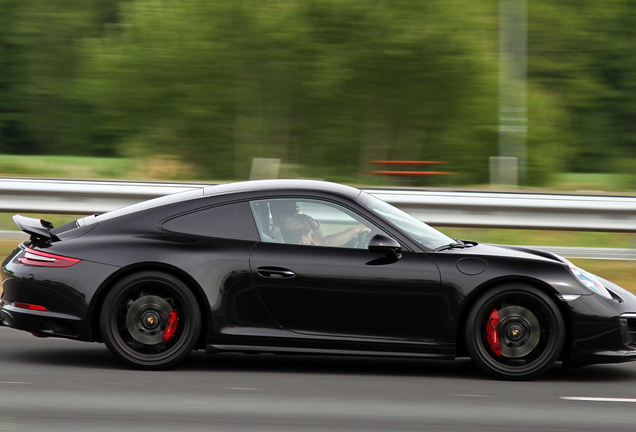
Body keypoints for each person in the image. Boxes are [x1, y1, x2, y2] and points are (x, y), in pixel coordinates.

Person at [274, 202, 371, 247]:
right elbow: (325, 243)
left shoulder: (287, 231)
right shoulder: (279, 233)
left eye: (296, 209)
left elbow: (322, 241)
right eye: (290, 210)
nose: (295, 213)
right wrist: (357, 229)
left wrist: (314, 225)